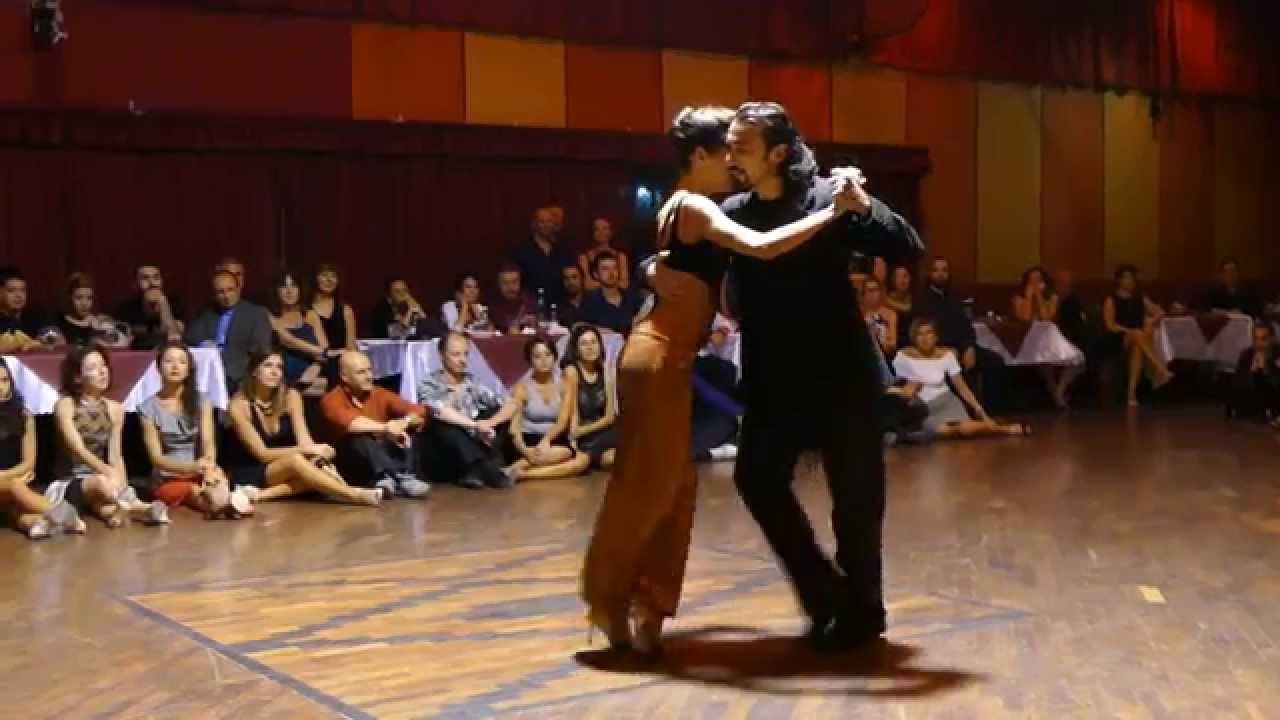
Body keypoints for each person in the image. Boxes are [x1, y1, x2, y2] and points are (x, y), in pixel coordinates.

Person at [580, 105, 868, 654]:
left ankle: (641, 608)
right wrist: (834, 211)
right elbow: (762, 247)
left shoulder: (691, 207)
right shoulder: (694, 205)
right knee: (651, 489)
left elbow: (677, 266)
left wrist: (651, 271)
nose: (734, 163)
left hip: (667, 356)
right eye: (726, 153)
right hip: (659, 354)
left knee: (672, 487)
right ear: (699, 157)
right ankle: (613, 602)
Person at [719, 101, 925, 652]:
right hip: (774, 384)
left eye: (741, 146)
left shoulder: (823, 198)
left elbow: (906, 246)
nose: (730, 155)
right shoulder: (734, 210)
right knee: (757, 481)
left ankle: (864, 613)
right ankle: (825, 595)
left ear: (778, 154)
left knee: (856, 502)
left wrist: (864, 204)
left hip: (841, 378)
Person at [224, 350, 382, 506]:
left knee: (316, 472)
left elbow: (304, 439)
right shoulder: (239, 406)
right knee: (299, 463)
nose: (274, 372)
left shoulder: (291, 396)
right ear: (254, 372)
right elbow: (262, 454)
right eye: (268, 366)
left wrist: (318, 458)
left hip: (287, 465)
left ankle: (261, 495)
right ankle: (354, 494)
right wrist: (310, 451)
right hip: (250, 469)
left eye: (279, 367)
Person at [51, 344, 169, 528]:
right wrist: (107, 472)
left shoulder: (115, 409)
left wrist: (122, 483)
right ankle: (140, 507)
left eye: (103, 365)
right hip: (71, 479)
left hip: (103, 477)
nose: (102, 372)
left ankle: (132, 510)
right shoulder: (65, 405)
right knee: (100, 483)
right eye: (92, 368)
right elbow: (77, 449)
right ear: (77, 377)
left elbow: (115, 456)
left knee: (105, 506)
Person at [138, 342, 252, 518]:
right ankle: (223, 505)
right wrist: (191, 467)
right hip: (168, 477)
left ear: (189, 368)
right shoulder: (147, 407)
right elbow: (157, 458)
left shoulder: (201, 400)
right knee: (193, 491)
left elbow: (208, 440)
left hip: (200, 469)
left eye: (182, 362)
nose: (175, 367)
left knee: (218, 479)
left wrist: (209, 466)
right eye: (169, 361)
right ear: (159, 367)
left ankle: (224, 502)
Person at [893, 319, 1030, 441]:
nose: (924, 338)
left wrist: (979, 410)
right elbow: (896, 385)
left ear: (936, 336)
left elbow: (961, 387)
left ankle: (1005, 429)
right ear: (913, 337)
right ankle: (993, 426)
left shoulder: (946, 355)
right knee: (941, 431)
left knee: (964, 429)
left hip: (947, 401)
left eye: (928, 333)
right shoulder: (903, 356)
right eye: (919, 334)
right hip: (922, 408)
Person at [320, 351, 431, 498]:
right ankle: (389, 477)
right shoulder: (331, 399)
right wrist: (386, 428)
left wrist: (404, 423)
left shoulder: (379, 393)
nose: (369, 376)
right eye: (361, 372)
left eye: (370, 370)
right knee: (359, 438)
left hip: (381, 452)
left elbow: (418, 410)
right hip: (351, 463)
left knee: (408, 431)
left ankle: (398, 478)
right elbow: (351, 423)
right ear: (344, 377)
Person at [416, 333, 518, 489]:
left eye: (466, 354)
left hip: (475, 443)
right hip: (442, 453)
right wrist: (475, 425)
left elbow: (511, 403)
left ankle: (474, 471)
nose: (462, 360)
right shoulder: (428, 384)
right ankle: (486, 470)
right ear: (441, 355)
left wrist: (490, 422)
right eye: (456, 354)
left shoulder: (472, 382)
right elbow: (441, 410)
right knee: (445, 426)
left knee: (496, 411)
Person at [0, 359, 85, 538]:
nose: (1, 387)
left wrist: (7, 478)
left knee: (19, 512)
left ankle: (40, 525)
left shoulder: (23, 416)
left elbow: (29, 463)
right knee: (15, 488)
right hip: (16, 483)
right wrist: (12, 480)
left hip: (15, 485)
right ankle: (62, 513)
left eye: (5, 380)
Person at [504, 337, 588, 481]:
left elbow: (562, 421)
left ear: (555, 357)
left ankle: (521, 472)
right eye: (537, 356)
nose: (544, 360)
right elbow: (514, 429)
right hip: (528, 441)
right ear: (530, 361)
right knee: (564, 456)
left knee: (575, 459)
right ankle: (523, 464)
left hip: (553, 439)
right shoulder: (522, 388)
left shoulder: (564, 385)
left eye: (548, 354)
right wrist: (526, 451)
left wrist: (546, 441)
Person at [186, 270, 274, 393]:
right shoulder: (207, 314)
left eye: (230, 290)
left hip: (238, 378)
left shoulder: (256, 314)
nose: (226, 296)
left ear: (239, 289)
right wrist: (205, 344)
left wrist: (230, 372)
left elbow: (260, 350)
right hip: (207, 375)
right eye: (220, 292)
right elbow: (191, 339)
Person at [1013, 266, 1084, 409]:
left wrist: (1039, 296)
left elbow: (1047, 317)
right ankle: (1058, 397)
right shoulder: (1018, 298)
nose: (1034, 283)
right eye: (1031, 280)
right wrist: (1028, 297)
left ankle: (1059, 391)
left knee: (1077, 361)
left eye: (1038, 279)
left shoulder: (1052, 297)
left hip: (1050, 337)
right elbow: (1025, 318)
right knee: (1043, 364)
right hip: (1028, 339)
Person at [1102, 264, 1172, 407]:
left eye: (1132, 278)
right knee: (1138, 335)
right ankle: (1160, 368)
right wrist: (1129, 331)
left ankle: (1131, 394)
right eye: (1126, 278)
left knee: (1138, 348)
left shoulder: (1140, 298)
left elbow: (1160, 312)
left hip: (1137, 340)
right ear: (1119, 280)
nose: (1130, 281)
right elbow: (1110, 325)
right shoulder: (1111, 299)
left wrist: (1150, 321)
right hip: (1116, 338)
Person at [563, 325, 617, 470]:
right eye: (584, 343)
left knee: (614, 460)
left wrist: (583, 430)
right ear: (576, 348)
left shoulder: (606, 373)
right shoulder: (572, 371)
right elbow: (572, 414)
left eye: (594, 342)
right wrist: (575, 436)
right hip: (583, 436)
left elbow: (610, 417)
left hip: (604, 430)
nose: (590, 347)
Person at [267, 269, 329, 392]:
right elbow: (288, 341)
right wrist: (321, 352)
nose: (289, 291)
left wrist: (315, 367)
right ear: (276, 290)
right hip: (281, 379)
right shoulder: (269, 316)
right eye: (284, 286)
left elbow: (325, 353)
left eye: (294, 285)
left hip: (311, 378)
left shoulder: (310, 315)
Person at [115, 264, 186, 351]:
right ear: (135, 284)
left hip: (167, 354)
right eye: (145, 278)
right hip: (137, 356)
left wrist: (163, 305)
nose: (152, 283)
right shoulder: (126, 309)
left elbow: (175, 337)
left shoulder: (174, 304)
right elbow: (119, 341)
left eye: (156, 278)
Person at [514, 206, 574, 304]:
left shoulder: (563, 250)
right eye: (542, 222)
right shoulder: (522, 251)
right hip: (533, 306)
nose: (546, 225)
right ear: (534, 224)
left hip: (562, 305)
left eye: (549, 221)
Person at [1227, 323, 1280, 425]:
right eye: (1256, 339)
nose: (1259, 343)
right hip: (1252, 402)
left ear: (1272, 339)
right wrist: (1252, 371)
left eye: (1263, 339)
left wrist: (1265, 368)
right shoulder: (1247, 354)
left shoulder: (1277, 353)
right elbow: (1237, 383)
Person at [58, 273, 129, 349]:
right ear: (69, 298)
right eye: (79, 298)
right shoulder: (59, 323)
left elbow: (122, 345)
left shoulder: (101, 322)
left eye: (89, 298)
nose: (84, 303)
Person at [581, 251, 644, 334]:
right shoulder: (590, 302)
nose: (611, 273)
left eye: (614, 268)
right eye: (605, 269)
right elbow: (580, 327)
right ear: (596, 274)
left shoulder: (631, 297)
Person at [370, 277, 442, 341]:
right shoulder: (381, 313)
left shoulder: (415, 308)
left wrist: (420, 312)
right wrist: (409, 311)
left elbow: (435, 331)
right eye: (397, 292)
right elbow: (397, 333)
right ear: (389, 298)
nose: (403, 294)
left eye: (405, 290)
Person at [0, 268, 52, 353]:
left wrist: (41, 342)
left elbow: (58, 339)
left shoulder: (36, 314)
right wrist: (19, 346)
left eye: (23, 290)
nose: (19, 295)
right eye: (11, 290)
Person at [312, 263, 358, 353]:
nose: (329, 280)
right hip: (311, 359)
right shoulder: (305, 308)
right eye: (324, 275)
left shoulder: (346, 310)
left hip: (340, 361)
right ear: (315, 279)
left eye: (333, 276)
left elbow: (351, 348)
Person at [580, 217, 630, 291]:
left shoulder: (620, 256)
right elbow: (587, 285)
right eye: (597, 229)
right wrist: (612, 283)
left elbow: (624, 284)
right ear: (592, 233)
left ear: (611, 232)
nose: (601, 232)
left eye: (605, 228)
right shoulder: (584, 257)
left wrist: (599, 284)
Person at [490, 265, 536, 334]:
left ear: (520, 282)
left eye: (514, 282)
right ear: (498, 284)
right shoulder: (493, 305)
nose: (510, 287)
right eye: (505, 283)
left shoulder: (530, 301)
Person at [862, 277, 899, 357]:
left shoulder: (891, 314)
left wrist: (881, 344)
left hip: (884, 356)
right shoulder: (860, 314)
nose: (872, 293)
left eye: (875, 290)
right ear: (864, 293)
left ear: (880, 292)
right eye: (869, 290)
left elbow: (893, 344)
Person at [885, 265, 914, 352]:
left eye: (905, 276)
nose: (902, 280)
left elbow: (908, 309)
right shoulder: (886, 301)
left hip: (912, 345)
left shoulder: (916, 298)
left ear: (910, 279)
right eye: (898, 277)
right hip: (892, 346)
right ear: (893, 280)